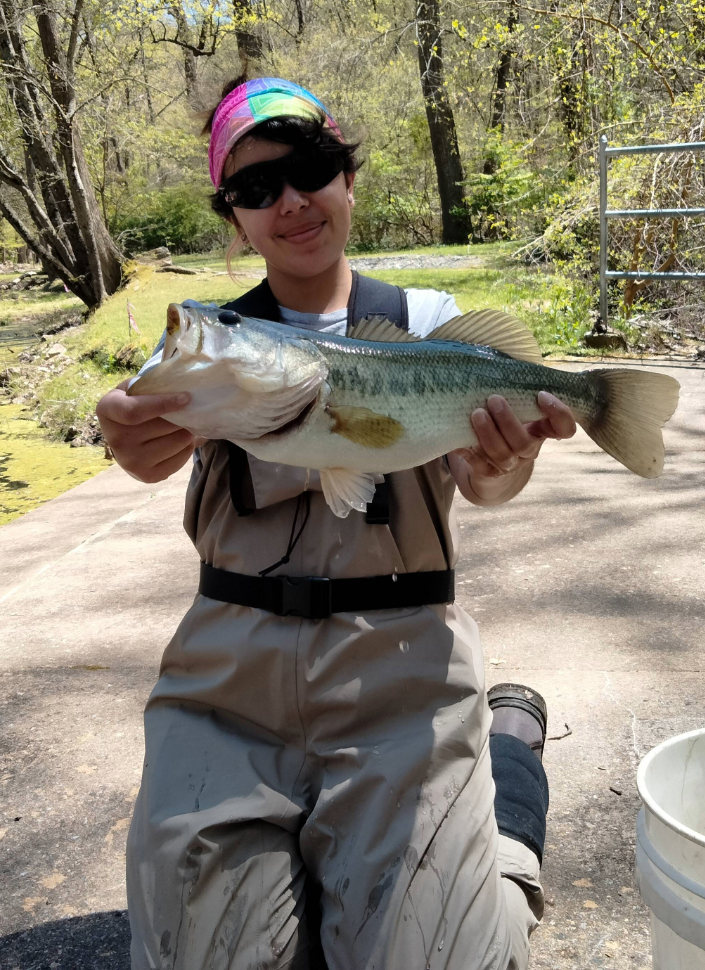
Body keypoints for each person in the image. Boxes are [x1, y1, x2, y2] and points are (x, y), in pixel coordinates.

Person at [96, 76, 577, 970]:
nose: (289, 201)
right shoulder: (211, 342)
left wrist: (506, 464)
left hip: (402, 672)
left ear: (347, 179)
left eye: (309, 168)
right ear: (233, 218)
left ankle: (505, 802)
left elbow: (485, 487)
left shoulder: (430, 328)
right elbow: (133, 424)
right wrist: (126, 435)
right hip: (227, 683)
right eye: (254, 189)